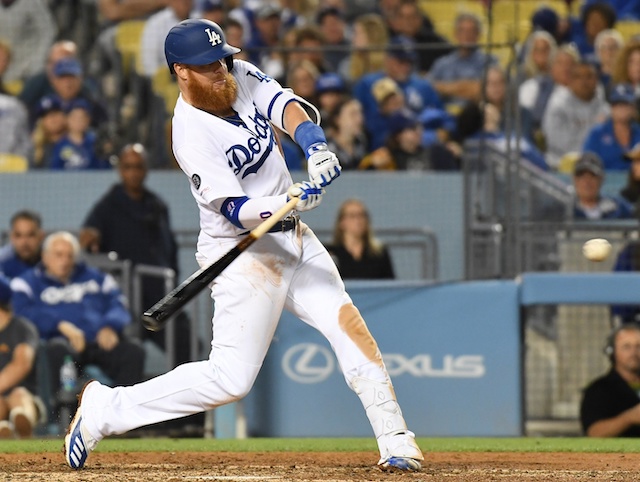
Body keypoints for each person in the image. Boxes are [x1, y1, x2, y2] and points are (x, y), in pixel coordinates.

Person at [63, 19, 423, 472]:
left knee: (346, 324)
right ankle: (104, 410)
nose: (220, 71)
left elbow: (287, 105)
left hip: (292, 235)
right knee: (229, 380)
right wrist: (285, 198)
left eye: (221, 59)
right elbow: (234, 208)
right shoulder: (189, 133)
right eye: (206, 66)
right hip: (241, 254)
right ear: (181, 71)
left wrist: (314, 147)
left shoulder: (241, 75)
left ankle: (395, 439)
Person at [10, 232, 145, 419]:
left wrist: (110, 326)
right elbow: (22, 313)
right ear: (45, 257)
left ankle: (126, 418)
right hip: (61, 345)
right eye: (58, 255)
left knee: (133, 352)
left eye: (69, 255)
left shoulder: (97, 278)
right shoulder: (26, 282)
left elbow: (119, 305)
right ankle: (63, 421)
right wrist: (59, 324)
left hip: (99, 342)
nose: (64, 260)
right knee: (58, 350)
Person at [79, 143, 188, 362]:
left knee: (186, 344)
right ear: (120, 170)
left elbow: (170, 249)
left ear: (146, 169)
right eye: (128, 167)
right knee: (131, 355)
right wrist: (89, 237)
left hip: (160, 297)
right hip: (126, 300)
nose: (133, 173)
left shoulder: (157, 205)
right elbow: (89, 233)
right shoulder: (108, 206)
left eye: (138, 167)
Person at [542, 61, 610, 170]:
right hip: (560, 166)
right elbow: (559, 144)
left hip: (597, 167)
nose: (584, 82)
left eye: (589, 76)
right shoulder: (558, 106)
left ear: (597, 80)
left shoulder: (605, 109)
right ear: (570, 81)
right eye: (578, 77)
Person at [427, 12, 498, 108]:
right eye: (462, 31)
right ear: (456, 34)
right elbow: (428, 88)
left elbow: (486, 91)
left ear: (478, 34)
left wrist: (444, 87)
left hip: (476, 113)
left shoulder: (489, 61)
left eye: (471, 31)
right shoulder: (442, 63)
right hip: (446, 114)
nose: (467, 35)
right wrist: (466, 87)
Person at [580, 324, 640, 437]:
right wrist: (630, 417)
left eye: (638, 346)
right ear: (612, 352)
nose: (634, 353)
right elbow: (594, 432)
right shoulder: (598, 390)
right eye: (626, 347)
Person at [0, 275, 41, 439]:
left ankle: (21, 424)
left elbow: (22, 364)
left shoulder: (21, 327)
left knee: (19, 396)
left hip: (25, 395)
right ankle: (4, 430)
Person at [326, 199, 394, 280]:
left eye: (362, 215)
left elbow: (390, 285)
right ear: (342, 222)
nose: (358, 220)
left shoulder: (379, 253)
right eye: (352, 216)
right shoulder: (329, 253)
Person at [583, 84, 640, 171]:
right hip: (603, 182)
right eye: (617, 104)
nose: (621, 109)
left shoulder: (638, 132)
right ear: (611, 107)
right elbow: (587, 164)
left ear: (633, 108)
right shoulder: (597, 134)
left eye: (625, 104)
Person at [571, 152, 633, 220]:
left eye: (592, 176)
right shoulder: (565, 210)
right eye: (582, 176)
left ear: (601, 179)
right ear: (575, 180)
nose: (587, 182)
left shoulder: (617, 207)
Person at [140, 0, 194, 78]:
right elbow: (149, 62)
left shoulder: (198, 20)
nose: (185, 3)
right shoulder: (156, 23)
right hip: (167, 77)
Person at [0, 211, 44, 280]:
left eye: (30, 235)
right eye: (18, 235)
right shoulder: (2, 262)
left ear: (41, 236)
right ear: (12, 237)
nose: (24, 242)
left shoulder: (54, 261)